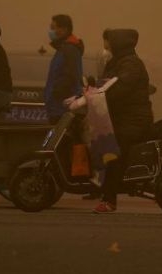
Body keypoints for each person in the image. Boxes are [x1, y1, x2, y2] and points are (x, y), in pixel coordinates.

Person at [93, 28, 154, 214]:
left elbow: (120, 88)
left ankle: (110, 200)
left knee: (113, 151)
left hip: (134, 121)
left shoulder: (131, 65)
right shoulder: (118, 61)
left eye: (109, 40)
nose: (106, 44)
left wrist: (102, 96)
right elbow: (105, 83)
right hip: (121, 118)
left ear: (118, 43)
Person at [43, 14, 85, 125]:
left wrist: (57, 94)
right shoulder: (64, 48)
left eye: (53, 28)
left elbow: (70, 76)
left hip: (61, 108)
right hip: (57, 107)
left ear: (64, 29)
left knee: (61, 140)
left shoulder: (69, 49)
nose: (50, 31)